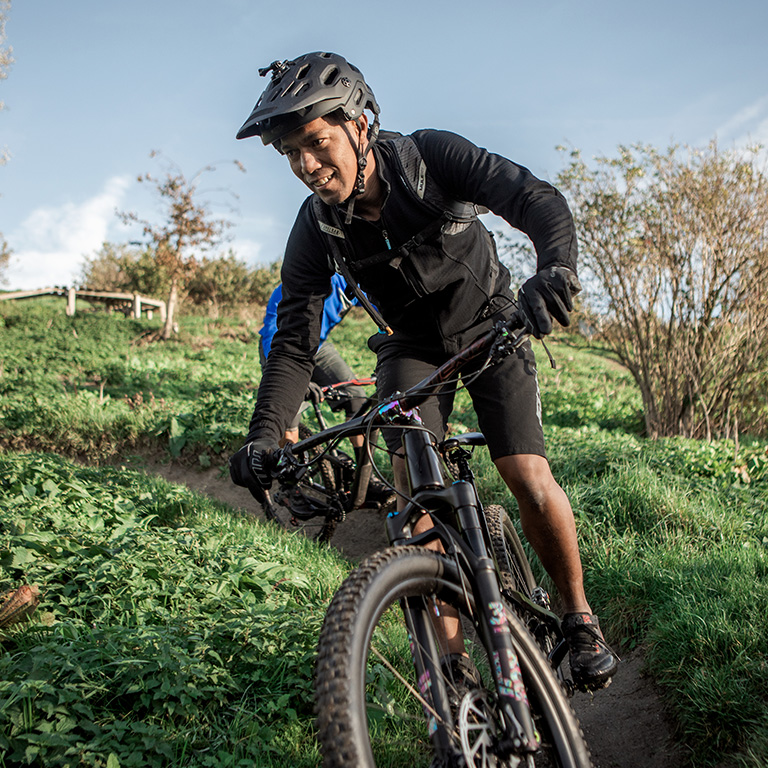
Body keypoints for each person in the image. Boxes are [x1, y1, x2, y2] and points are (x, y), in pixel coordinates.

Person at [229, 52, 618, 690]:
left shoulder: (431, 158)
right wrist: (265, 434)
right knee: (415, 501)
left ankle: (579, 618)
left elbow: (534, 198)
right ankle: (455, 672)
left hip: (490, 326)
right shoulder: (317, 227)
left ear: (359, 125)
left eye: (317, 143)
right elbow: (294, 342)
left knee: (525, 473)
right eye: (291, 153)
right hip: (410, 349)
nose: (306, 165)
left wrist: (555, 268)